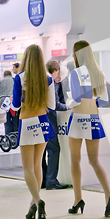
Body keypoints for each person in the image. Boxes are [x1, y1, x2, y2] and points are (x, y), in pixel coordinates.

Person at [66, 40, 110, 217]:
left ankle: (78, 199)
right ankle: (109, 196)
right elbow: (104, 100)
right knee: (94, 161)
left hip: (78, 118)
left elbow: (76, 100)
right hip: (94, 118)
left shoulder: (76, 73)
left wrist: (68, 102)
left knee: (75, 160)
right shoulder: (98, 72)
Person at [10, 44, 56, 219]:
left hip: (27, 123)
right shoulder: (48, 79)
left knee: (28, 168)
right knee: (38, 165)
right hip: (43, 122)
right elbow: (52, 106)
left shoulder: (20, 78)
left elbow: (15, 105)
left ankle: (38, 201)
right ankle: (33, 206)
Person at [42, 60, 69, 190]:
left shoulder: (39, 78)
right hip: (48, 120)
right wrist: (69, 107)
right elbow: (54, 104)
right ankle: (51, 181)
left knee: (41, 151)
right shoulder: (49, 81)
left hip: (37, 119)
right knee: (53, 149)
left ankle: (42, 180)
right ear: (56, 70)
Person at [0, 70, 16, 135]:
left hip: (4, 105)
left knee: (7, 122)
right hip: (14, 104)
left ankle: (8, 138)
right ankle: (15, 137)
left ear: (4, 76)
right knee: (15, 121)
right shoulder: (15, 80)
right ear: (11, 75)